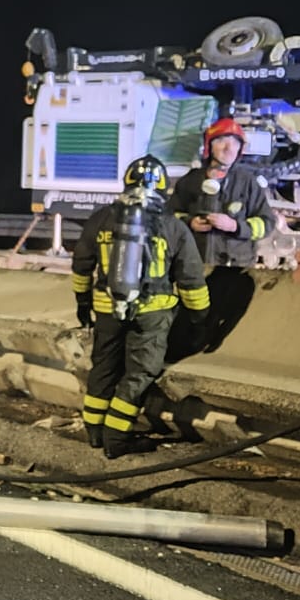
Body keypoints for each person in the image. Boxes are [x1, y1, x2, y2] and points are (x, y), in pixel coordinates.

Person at [69, 156, 211, 458]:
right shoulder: (173, 226)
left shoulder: (101, 219)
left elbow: (81, 264)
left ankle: (94, 432)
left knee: (104, 368)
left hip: (107, 309)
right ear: (163, 188)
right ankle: (117, 437)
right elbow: (191, 278)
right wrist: (200, 317)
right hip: (152, 314)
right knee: (139, 374)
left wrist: (82, 301)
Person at [172, 117, 275, 267]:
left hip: (235, 270)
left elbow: (267, 224)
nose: (229, 148)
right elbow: (169, 218)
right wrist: (190, 222)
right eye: (222, 141)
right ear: (209, 146)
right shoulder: (190, 181)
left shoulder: (247, 183)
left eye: (235, 142)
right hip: (193, 267)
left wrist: (235, 226)